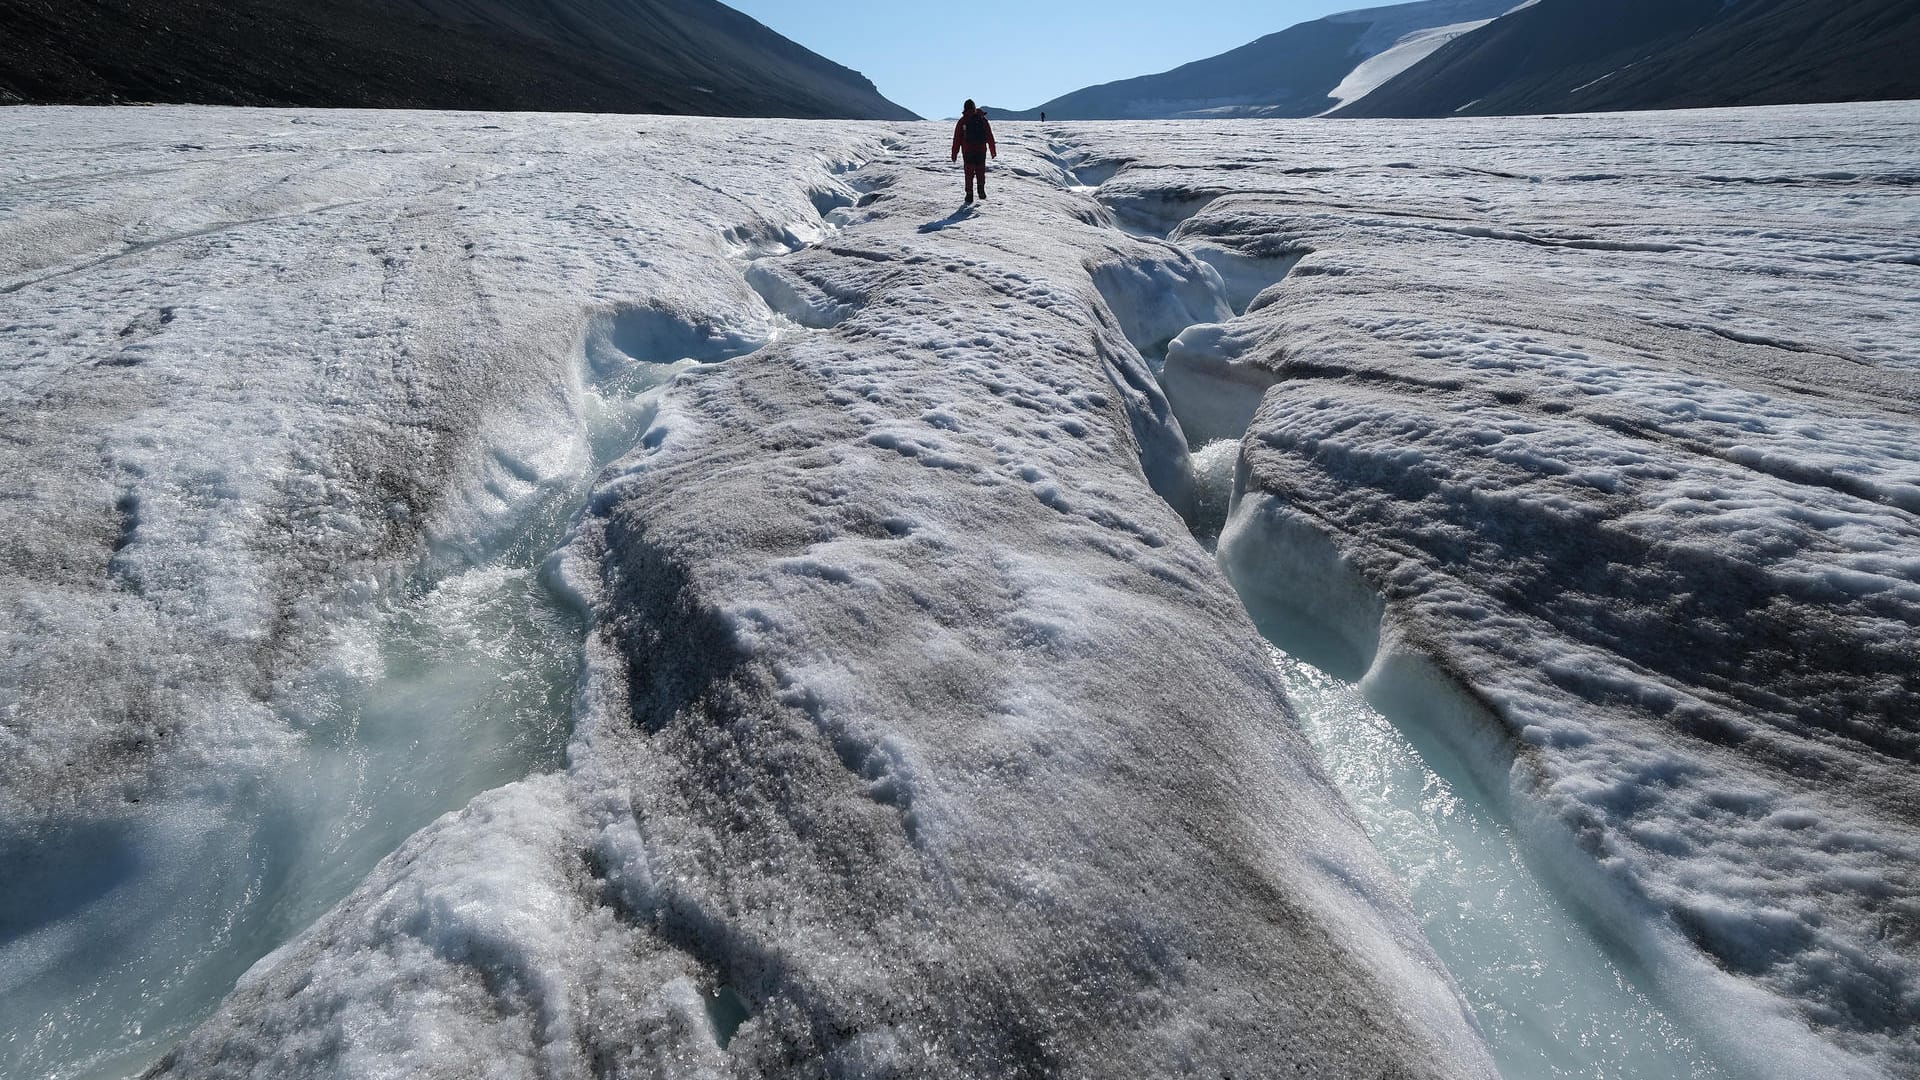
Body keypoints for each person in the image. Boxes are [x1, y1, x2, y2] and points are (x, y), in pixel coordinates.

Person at [950, 99, 997, 205]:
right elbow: (989, 135)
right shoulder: (982, 119)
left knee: (969, 173)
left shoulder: (963, 121)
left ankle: (969, 194)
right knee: (980, 170)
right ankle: (981, 189)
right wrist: (992, 150)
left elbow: (957, 138)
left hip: (968, 151)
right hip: (981, 150)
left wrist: (954, 153)